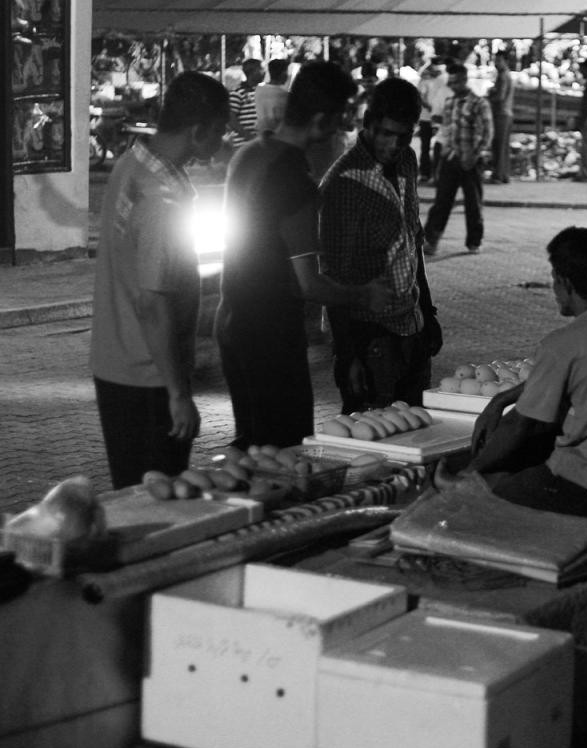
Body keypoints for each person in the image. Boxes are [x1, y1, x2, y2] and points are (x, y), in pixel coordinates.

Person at [436, 227, 587, 521]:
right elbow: (555, 385)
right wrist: (501, 398)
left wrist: (469, 473)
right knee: (545, 421)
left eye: (553, 278)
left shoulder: (565, 342)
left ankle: (476, 491)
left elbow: (519, 427)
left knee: (493, 486)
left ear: (563, 282)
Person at [215, 61, 392, 450]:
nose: (343, 127)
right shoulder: (294, 181)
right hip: (270, 336)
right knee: (283, 456)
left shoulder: (247, 156)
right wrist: (365, 294)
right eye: (340, 117)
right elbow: (307, 283)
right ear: (319, 120)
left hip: (231, 321)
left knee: (251, 447)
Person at [90, 72, 230, 489]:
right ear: (198, 130)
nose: (223, 140)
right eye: (221, 130)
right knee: (157, 495)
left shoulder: (132, 164)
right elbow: (153, 302)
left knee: (133, 489)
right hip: (147, 377)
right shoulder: (162, 199)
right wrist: (178, 394)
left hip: (115, 363)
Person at [319, 78, 442, 412]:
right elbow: (332, 275)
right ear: (368, 123)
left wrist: (428, 313)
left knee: (415, 434)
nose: (395, 144)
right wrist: (347, 356)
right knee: (375, 450)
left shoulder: (407, 162)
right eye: (387, 134)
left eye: (405, 136)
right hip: (370, 336)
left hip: (412, 326)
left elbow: (412, 242)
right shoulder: (343, 182)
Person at [423, 62, 493, 256]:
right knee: (442, 202)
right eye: (450, 82)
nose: (452, 86)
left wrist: (475, 154)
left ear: (464, 80)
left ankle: (474, 242)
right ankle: (431, 240)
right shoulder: (450, 103)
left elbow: (486, 132)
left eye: (455, 82)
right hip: (452, 157)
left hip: (472, 160)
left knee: (473, 203)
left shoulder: (479, 103)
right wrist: (444, 150)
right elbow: (445, 128)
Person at [417, 58, 447, 183]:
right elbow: (419, 97)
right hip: (426, 117)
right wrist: (431, 108)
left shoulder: (443, 79)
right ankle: (425, 173)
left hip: (438, 117)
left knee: (438, 146)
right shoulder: (425, 80)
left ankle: (436, 174)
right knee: (425, 146)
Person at [487, 51, 515, 184]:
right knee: (502, 146)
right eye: (495, 60)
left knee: (499, 145)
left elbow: (500, 97)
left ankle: (498, 175)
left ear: (505, 61)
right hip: (505, 113)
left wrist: (489, 96)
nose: (496, 63)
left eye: (498, 60)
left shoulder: (503, 76)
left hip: (501, 114)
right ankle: (503, 174)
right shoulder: (504, 75)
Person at [228, 58, 263, 150]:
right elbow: (231, 119)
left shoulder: (261, 92)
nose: (264, 72)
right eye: (260, 69)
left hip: (260, 144)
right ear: (252, 72)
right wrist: (249, 137)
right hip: (244, 146)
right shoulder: (238, 93)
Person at [253, 58, 290, 136]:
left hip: (261, 136)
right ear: (283, 74)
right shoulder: (284, 96)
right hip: (278, 137)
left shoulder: (259, 90)